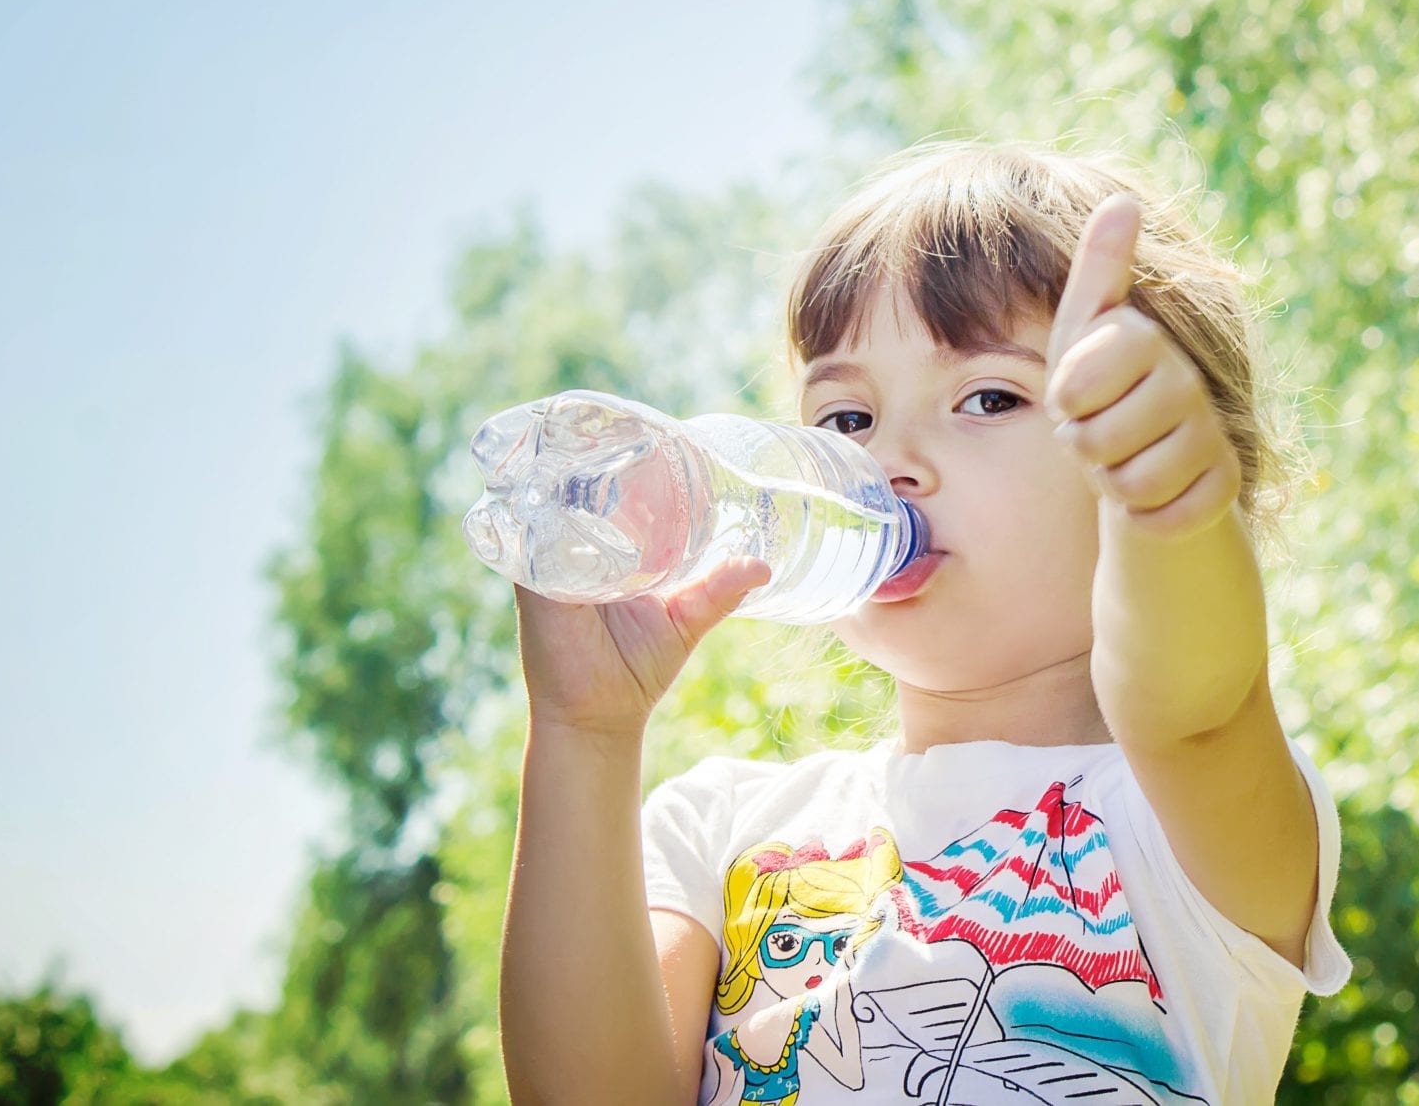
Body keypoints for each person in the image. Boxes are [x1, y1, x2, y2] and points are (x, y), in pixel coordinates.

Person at [498, 140, 1352, 1106]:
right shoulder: (722, 829)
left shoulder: (1176, 825)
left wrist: (1171, 510)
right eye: (847, 420)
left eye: (988, 397)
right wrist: (584, 733)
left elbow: (1194, 697)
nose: (889, 461)